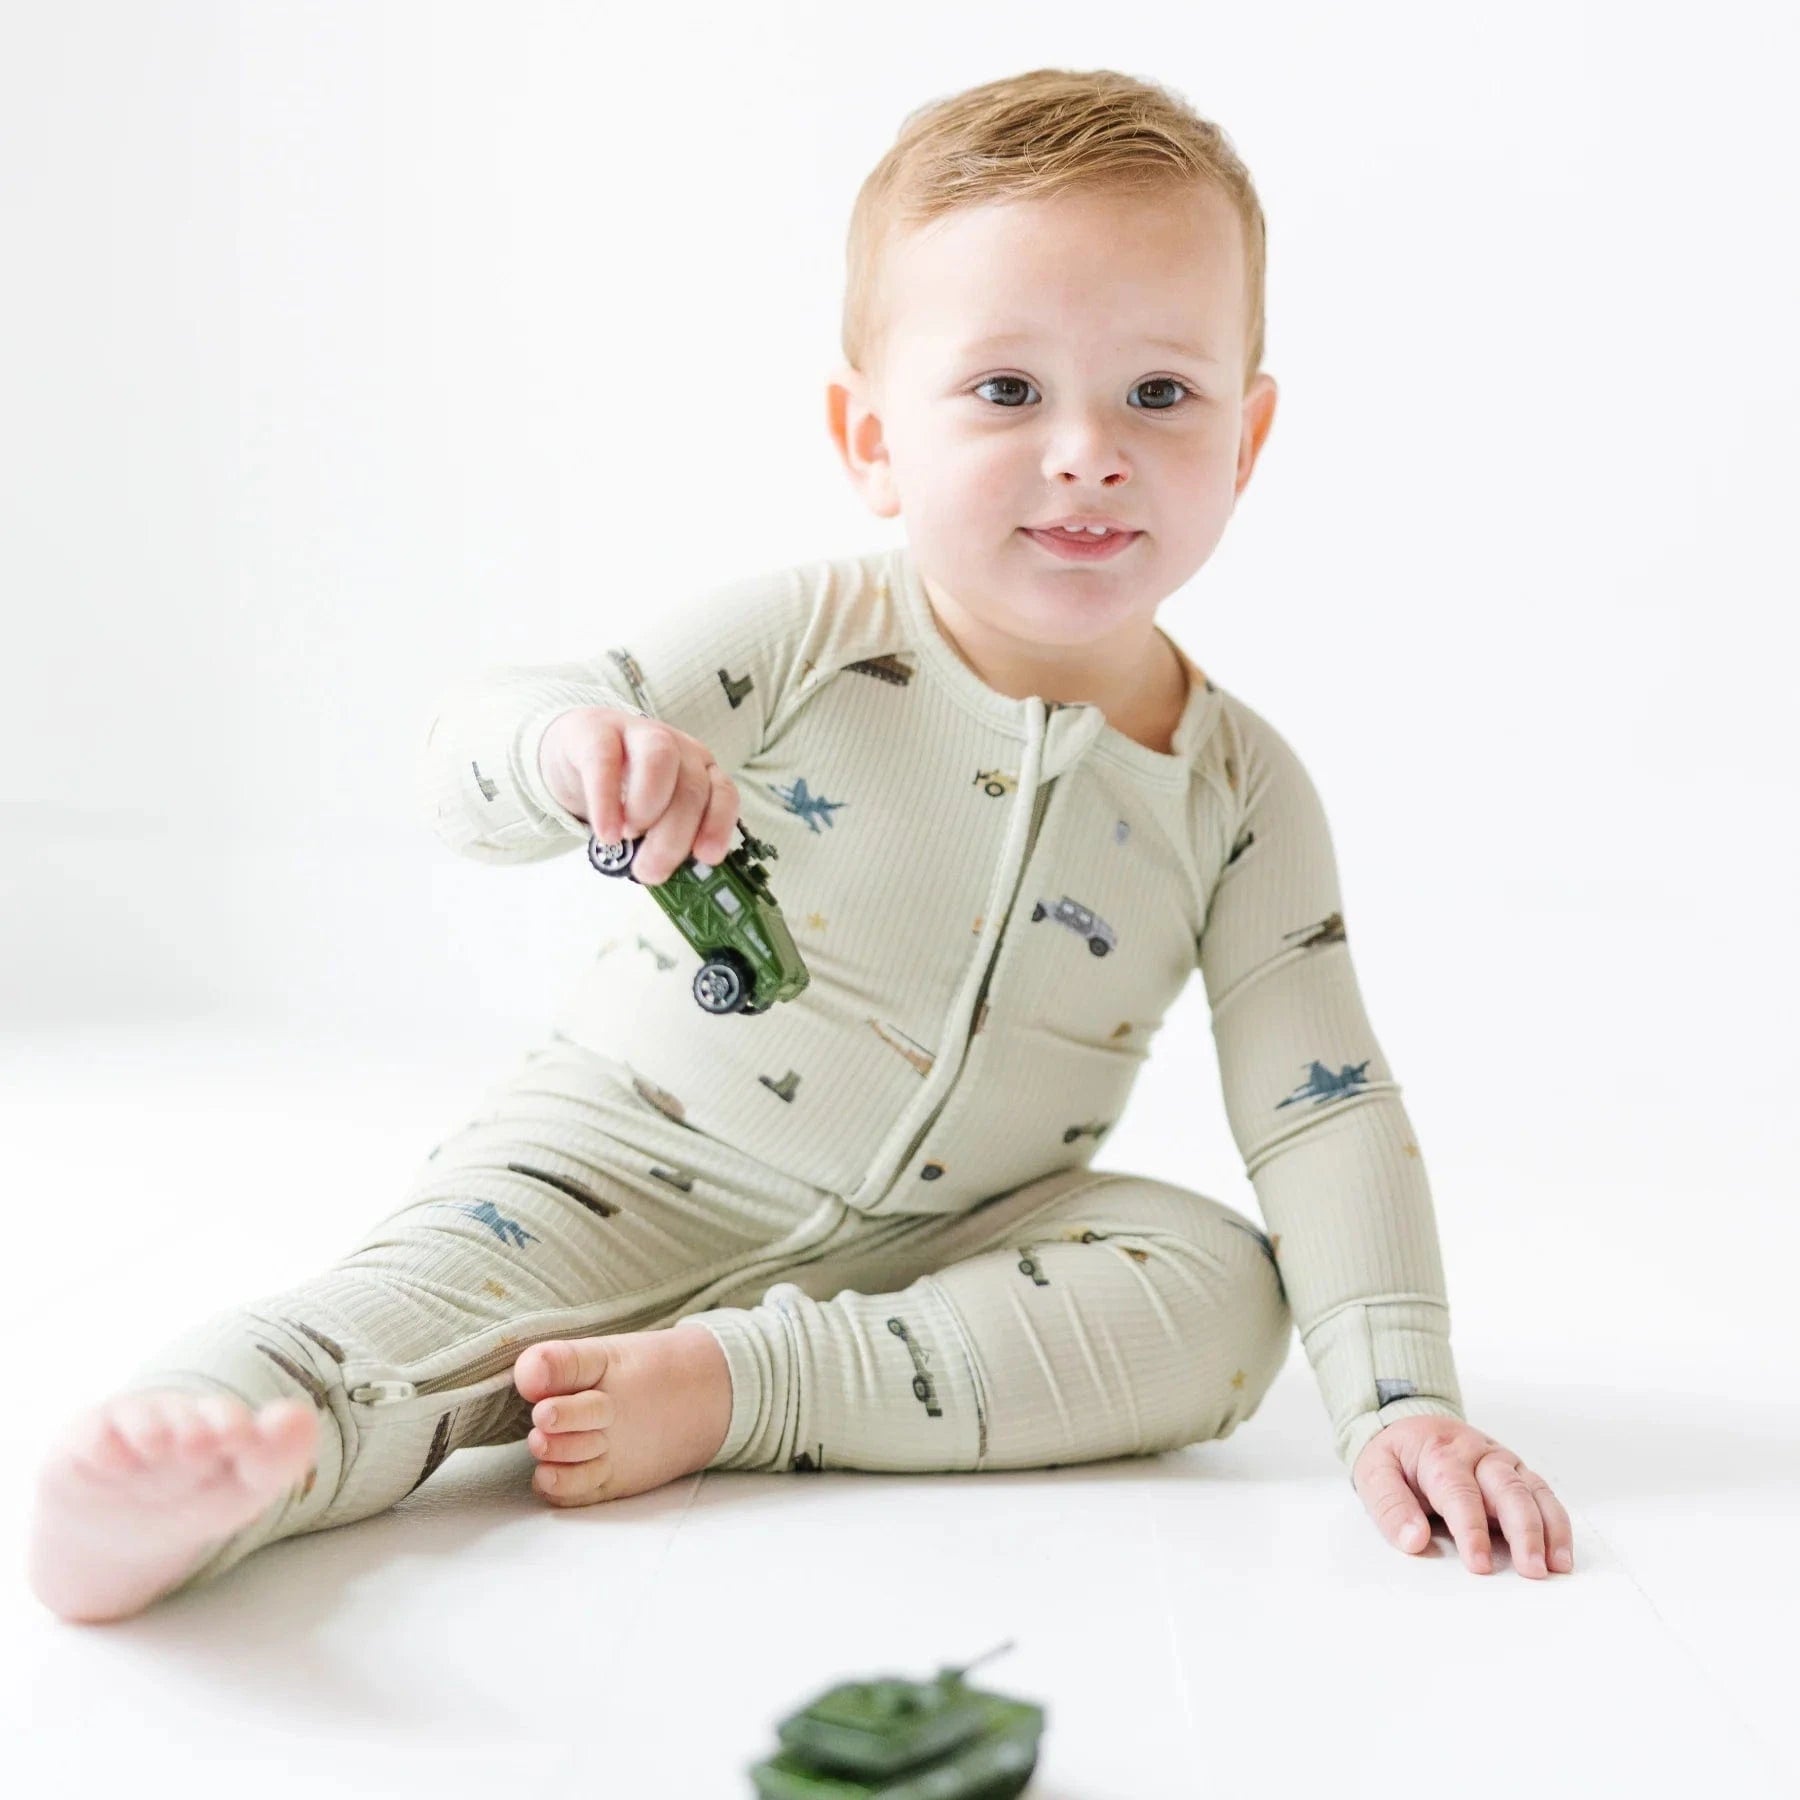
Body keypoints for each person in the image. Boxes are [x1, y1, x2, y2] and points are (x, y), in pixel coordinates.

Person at [28, 66, 1573, 1624]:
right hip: (620, 1162)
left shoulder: (1241, 792)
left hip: (954, 1247)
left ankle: (737, 1386)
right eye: (1007, 390)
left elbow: (1323, 1104)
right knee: (381, 1329)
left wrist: (1401, 1402)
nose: (1088, 451)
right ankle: (164, 1475)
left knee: (1228, 1291)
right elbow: (468, 758)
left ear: (1248, 438)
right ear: (870, 436)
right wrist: (570, 750)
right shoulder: (807, 642)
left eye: (1159, 395)